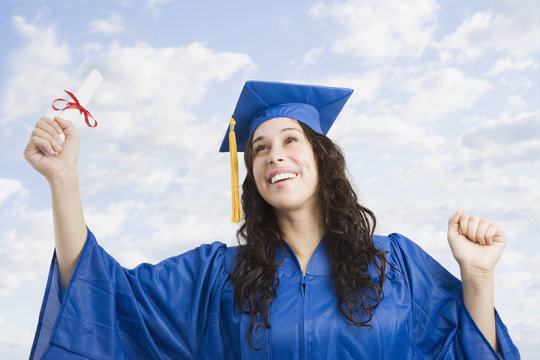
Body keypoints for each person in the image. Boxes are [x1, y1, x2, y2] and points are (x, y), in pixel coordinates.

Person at [25, 81, 520, 359]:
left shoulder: (398, 266)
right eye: (259, 148)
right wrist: (63, 180)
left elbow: (465, 349)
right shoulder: (218, 275)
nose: (273, 156)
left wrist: (477, 277)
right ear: (252, 175)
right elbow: (102, 298)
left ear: (322, 158)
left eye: (290, 141)